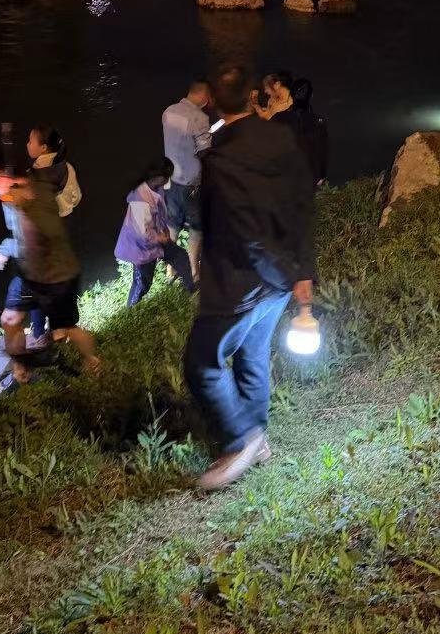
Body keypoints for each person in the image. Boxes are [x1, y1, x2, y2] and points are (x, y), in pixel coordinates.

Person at [184, 64, 316, 491]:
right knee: (252, 354)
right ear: (253, 96)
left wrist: (280, 272)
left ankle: (240, 439)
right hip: (281, 278)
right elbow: (302, 201)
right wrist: (300, 272)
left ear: (212, 103)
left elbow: (244, 233)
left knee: (202, 362)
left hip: (240, 281)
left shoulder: (220, 159)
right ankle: (257, 439)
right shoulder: (281, 138)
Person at [0, 150, 98, 385]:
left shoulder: (35, 197)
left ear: (4, 177)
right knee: (10, 319)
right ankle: (21, 372)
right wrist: (2, 251)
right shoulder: (10, 198)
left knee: (66, 328)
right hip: (29, 273)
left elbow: (41, 241)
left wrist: (9, 249)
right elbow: (19, 238)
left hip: (56, 276)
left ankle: (92, 362)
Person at [116, 158, 194, 305]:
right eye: (167, 177)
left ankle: (192, 291)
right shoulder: (140, 200)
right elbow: (141, 235)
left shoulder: (157, 189)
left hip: (156, 240)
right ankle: (131, 310)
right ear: (159, 177)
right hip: (141, 248)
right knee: (142, 283)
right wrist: (160, 238)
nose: (168, 180)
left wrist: (163, 232)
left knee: (180, 256)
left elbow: (159, 215)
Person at [162, 80, 213, 278]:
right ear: (204, 95)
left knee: (172, 224)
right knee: (197, 227)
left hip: (171, 179)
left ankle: (170, 268)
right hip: (192, 183)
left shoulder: (168, 112)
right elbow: (204, 152)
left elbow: (178, 140)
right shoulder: (199, 117)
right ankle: (193, 271)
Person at [287, 78, 329, 186]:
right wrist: (321, 175)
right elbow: (322, 151)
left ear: (291, 95)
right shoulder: (319, 121)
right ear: (311, 96)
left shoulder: (278, 118)